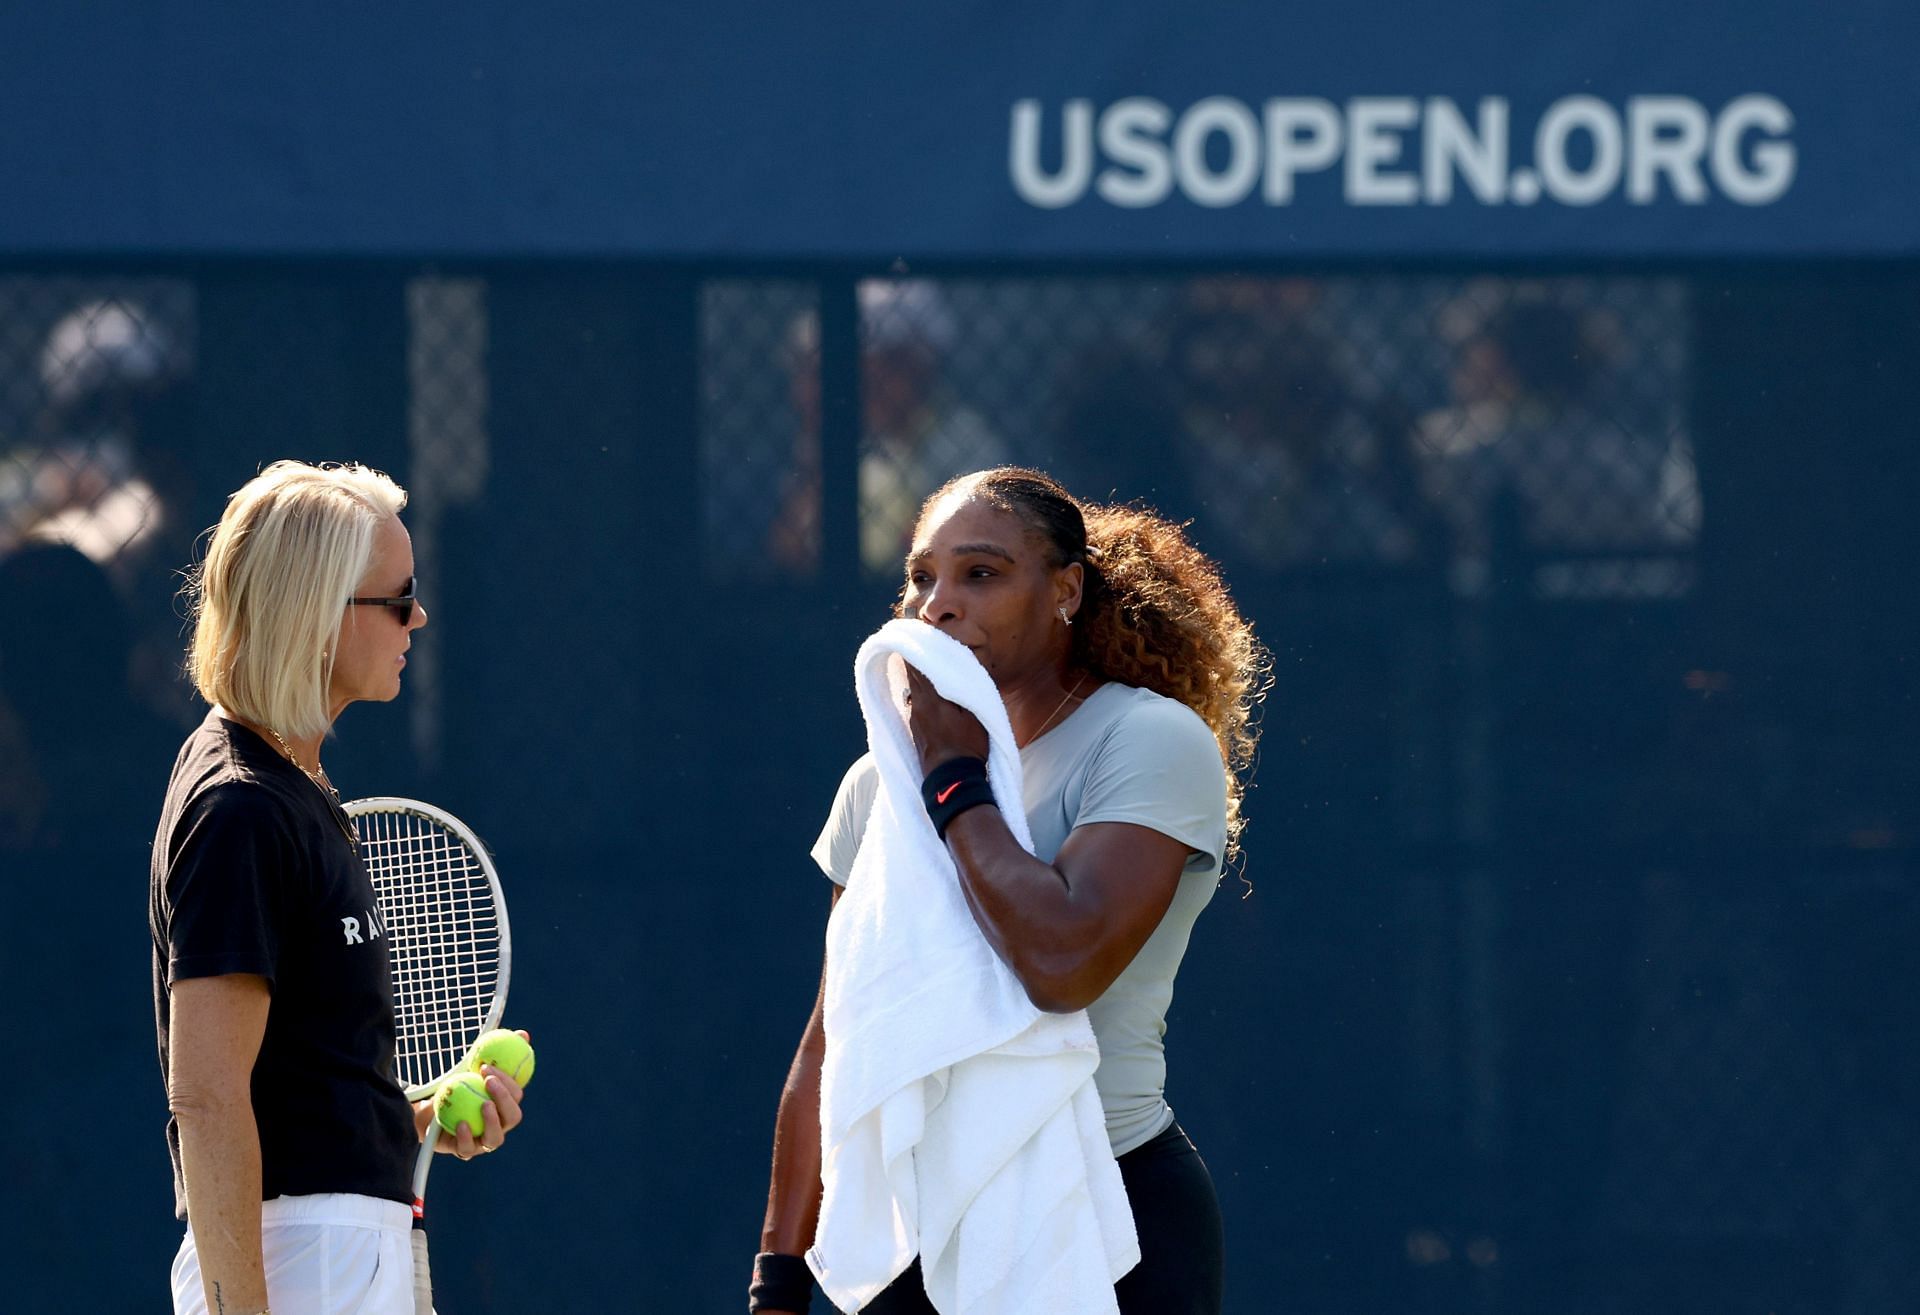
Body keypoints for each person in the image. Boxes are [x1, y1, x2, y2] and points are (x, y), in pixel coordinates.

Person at [752, 467, 1269, 1315]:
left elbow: (1061, 960)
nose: (939, 604)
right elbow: (833, 1040)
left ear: (1065, 591)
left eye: (980, 574)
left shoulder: (1150, 741)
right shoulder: (876, 785)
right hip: (910, 1233)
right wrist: (777, 1278)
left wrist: (954, 777)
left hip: (1112, 1215)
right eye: (922, 577)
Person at [150, 460, 528, 1315]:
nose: (419, 616)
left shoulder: (292, 788)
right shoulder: (239, 804)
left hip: (340, 1250)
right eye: (397, 597)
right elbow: (207, 1097)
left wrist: (421, 1118)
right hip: (301, 1261)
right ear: (319, 612)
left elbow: (299, 1089)